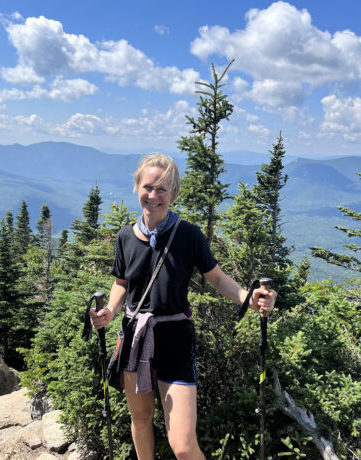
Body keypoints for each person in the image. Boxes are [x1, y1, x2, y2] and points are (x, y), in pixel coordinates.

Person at [90, 153, 276, 460]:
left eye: (162, 189)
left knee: (183, 445)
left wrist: (248, 298)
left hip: (175, 339)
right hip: (134, 335)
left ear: (174, 194)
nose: (153, 195)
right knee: (141, 418)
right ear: (137, 187)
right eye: (148, 186)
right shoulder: (125, 237)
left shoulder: (188, 235)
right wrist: (110, 310)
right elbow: (121, 283)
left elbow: (217, 279)